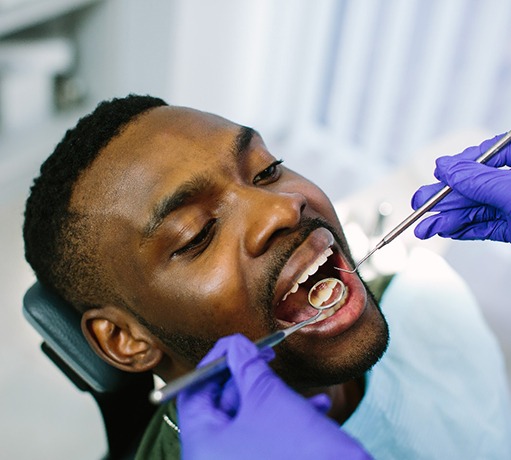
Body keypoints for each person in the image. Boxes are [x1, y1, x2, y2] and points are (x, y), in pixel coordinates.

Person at [23, 95, 511, 459]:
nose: (283, 207)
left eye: (267, 169)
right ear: (125, 339)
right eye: (196, 234)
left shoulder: (428, 296)